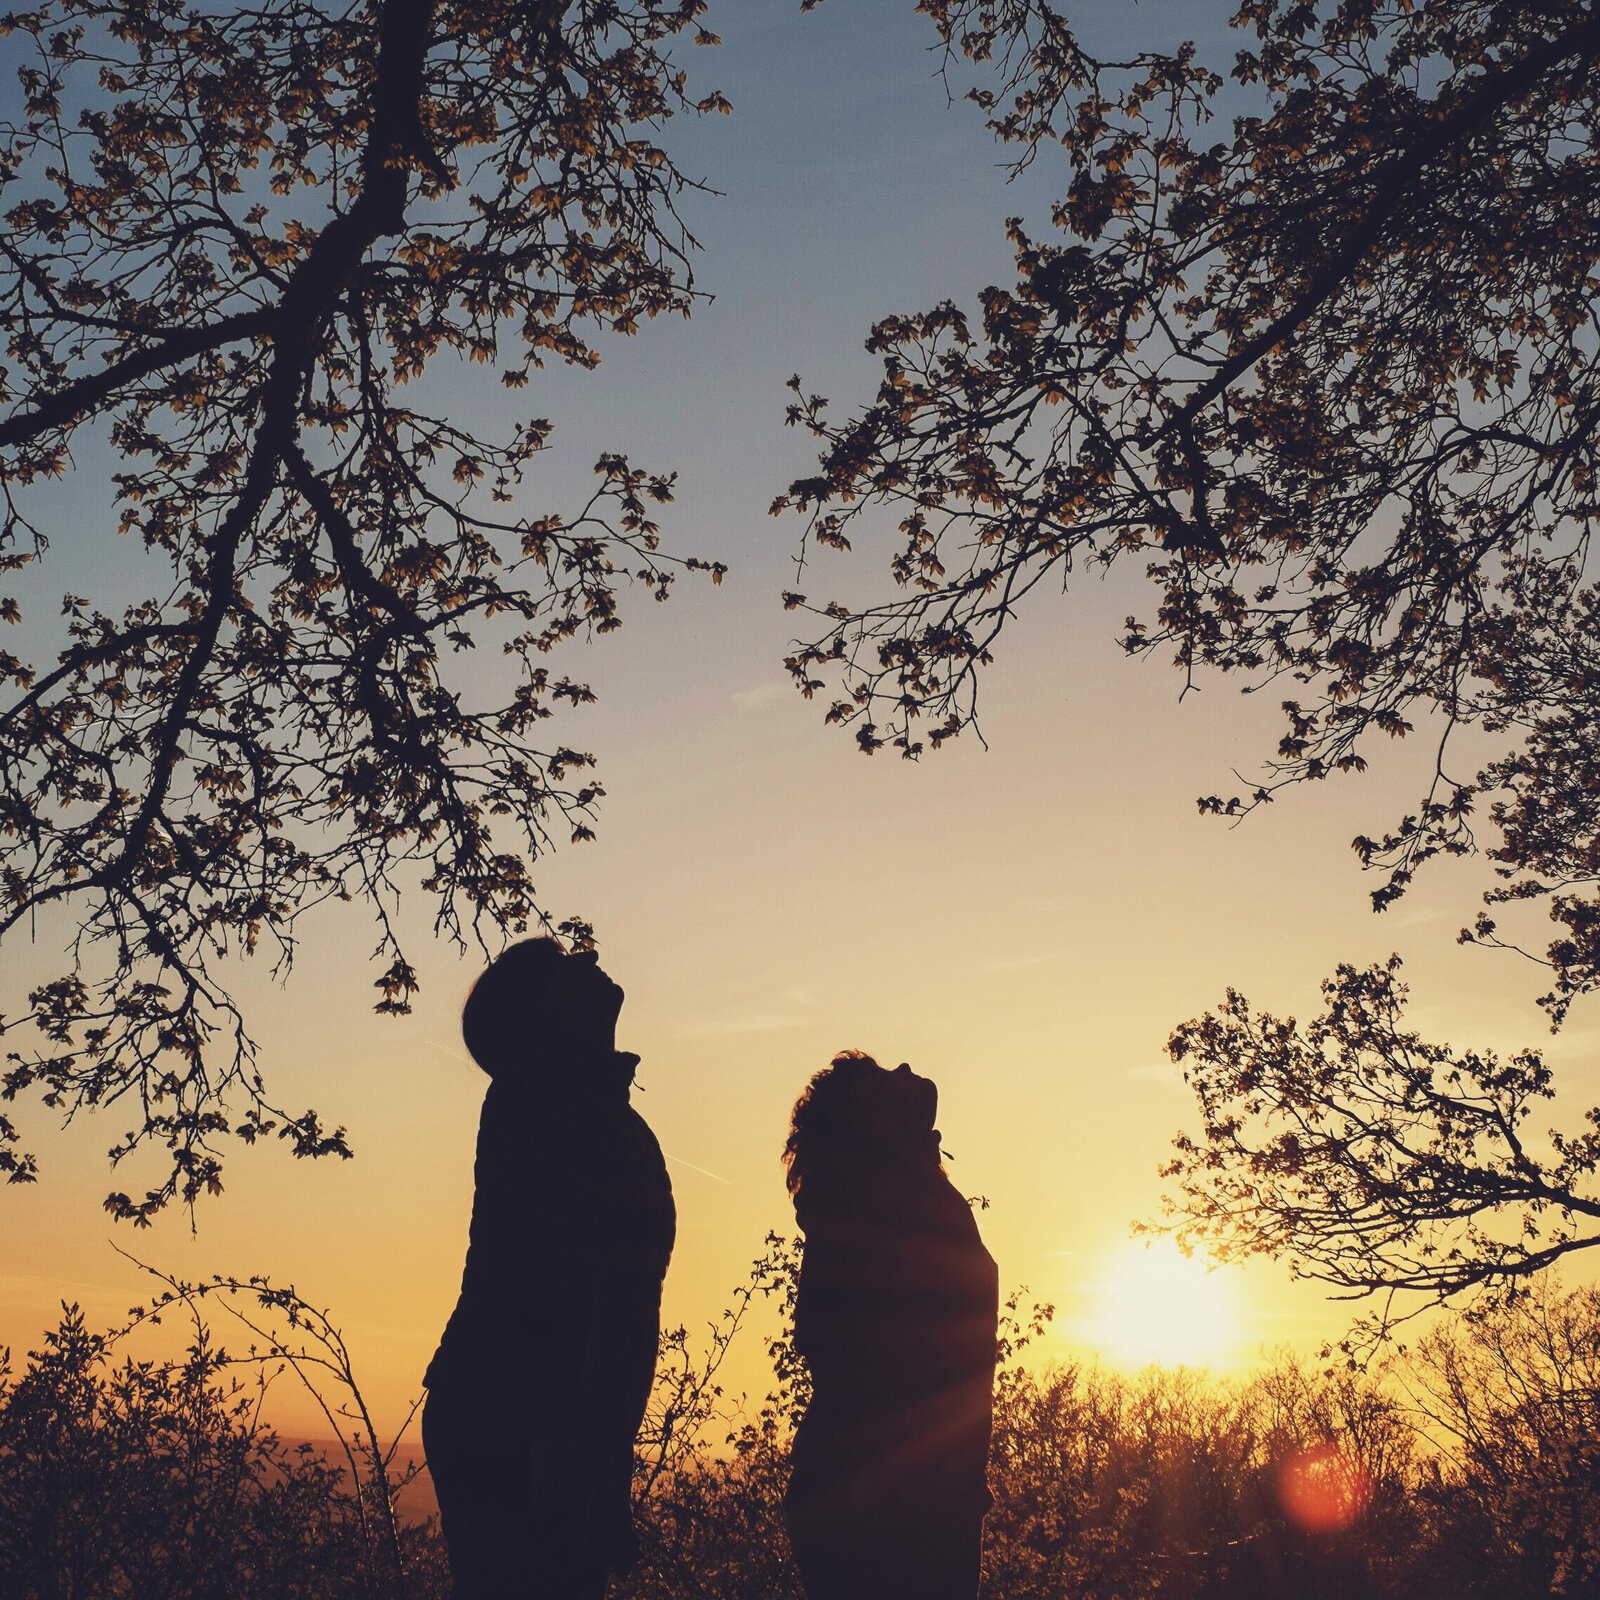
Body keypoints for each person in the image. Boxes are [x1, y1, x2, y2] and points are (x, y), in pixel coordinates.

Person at [422, 938, 675, 1600]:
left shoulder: (602, 1115)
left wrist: (604, 1463)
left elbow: (622, 1311)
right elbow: (528, 1282)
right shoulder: (537, 1098)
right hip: (509, 1422)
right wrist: (556, 1441)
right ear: (543, 1013)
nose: (588, 959)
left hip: (550, 1428)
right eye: (565, 963)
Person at [782, 1051, 999, 1600]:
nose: (904, 1068)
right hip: (897, 1506)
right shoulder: (884, 1203)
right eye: (883, 1079)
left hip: (901, 1495)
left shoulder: (896, 1195)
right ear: (870, 1122)